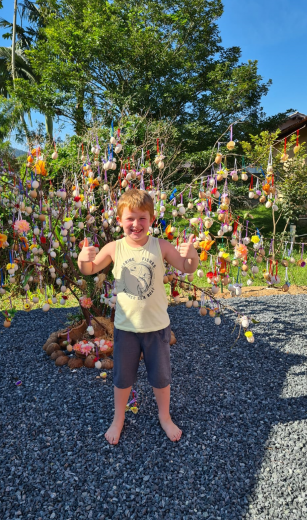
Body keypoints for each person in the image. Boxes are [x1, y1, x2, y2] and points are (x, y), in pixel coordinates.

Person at [77, 188, 198, 444]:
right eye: (130, 218)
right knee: (122, 379)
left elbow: (187, 268)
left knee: (161, 378)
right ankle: (118, 418)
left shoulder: (161, 246)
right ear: (120, 220)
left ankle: (164, 416)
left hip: (156, 327)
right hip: (126, 328)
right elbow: (90, 269)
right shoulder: (114, 248)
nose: (136, 224)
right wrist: (82, 259)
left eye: (142, 218)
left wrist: (192, 256)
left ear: (152, 220)